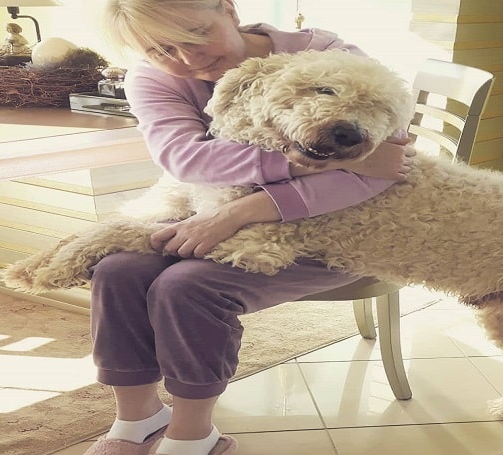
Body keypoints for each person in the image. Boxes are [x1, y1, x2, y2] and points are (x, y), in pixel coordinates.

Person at [88, 1, 416, 454]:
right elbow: (187, 159)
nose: (187, 59)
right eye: (162, 49)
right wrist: (315, 159)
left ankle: (193, 434)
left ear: (228, 9)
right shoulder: (153, 77)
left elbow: (379, 173)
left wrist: (242, 211)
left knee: (187, 287)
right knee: (117, 271)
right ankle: (138, 417)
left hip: (339, 229)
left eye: (197, 33)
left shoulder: (328, 58)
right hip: (215, 210)